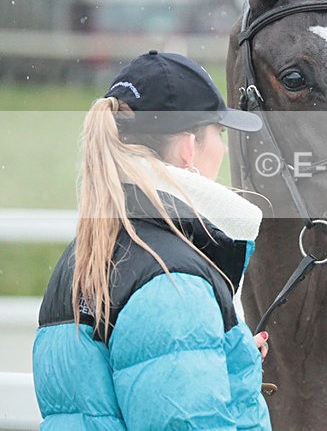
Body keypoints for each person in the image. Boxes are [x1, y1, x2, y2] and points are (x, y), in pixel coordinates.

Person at [32, 51, 272, 429]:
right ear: (189, 147)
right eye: (219, 135)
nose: (224, 151)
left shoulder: (82, 257)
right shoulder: (173, 283)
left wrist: (228, 360)